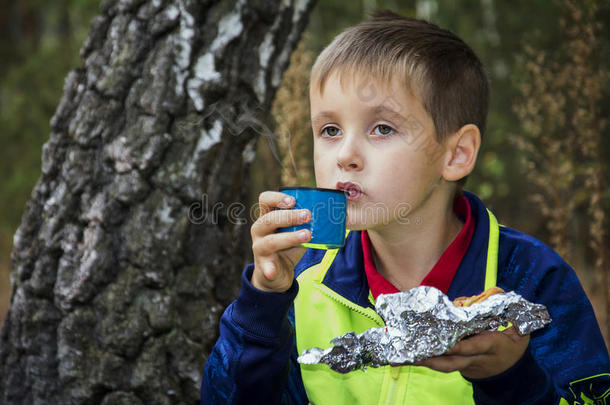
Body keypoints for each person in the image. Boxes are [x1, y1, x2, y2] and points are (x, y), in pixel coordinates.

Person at [201, 10, 610, 404]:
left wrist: (512, 377)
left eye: (382, 128)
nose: (344, 155)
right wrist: (262, 303)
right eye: (329, 130)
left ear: (456, 154)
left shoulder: (532, 278)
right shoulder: (305, 279)